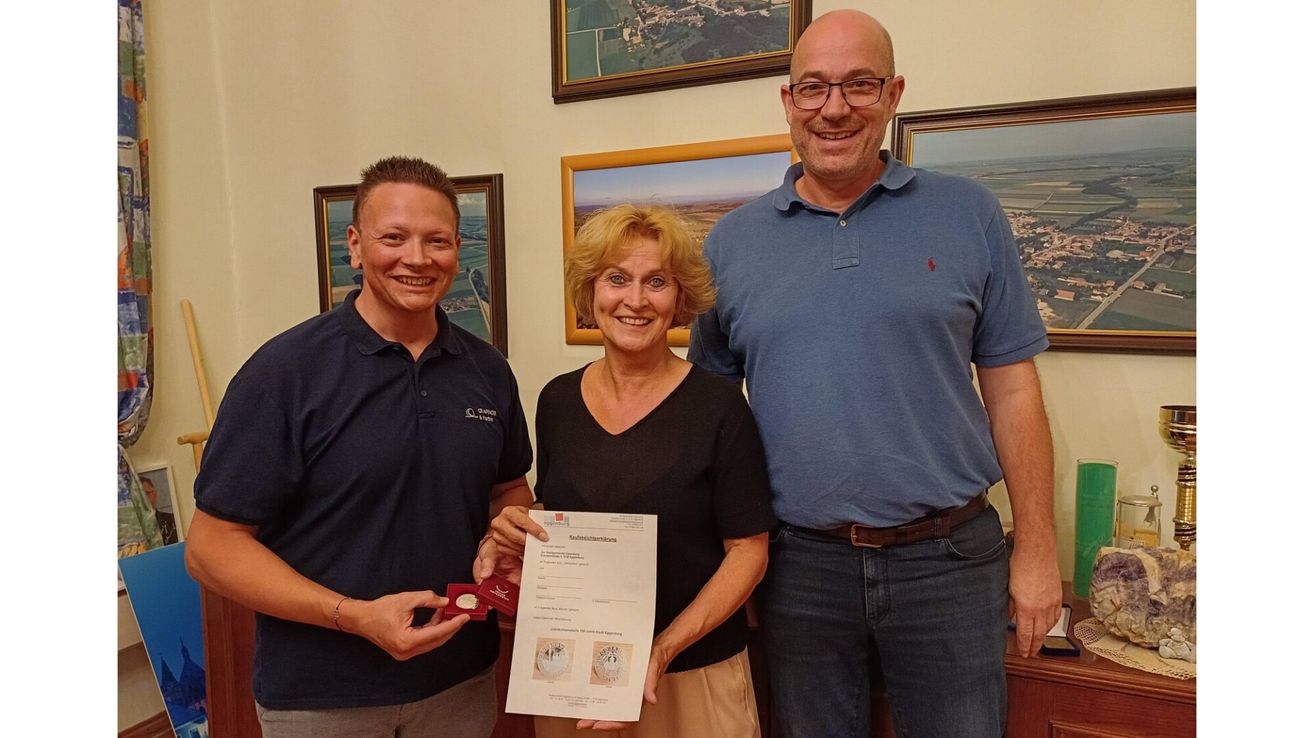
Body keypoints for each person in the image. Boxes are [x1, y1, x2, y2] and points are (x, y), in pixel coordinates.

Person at [687, 10, 1063, 738]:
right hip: (798, 569)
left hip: (951, 562)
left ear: (892, 96)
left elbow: (1013, 388)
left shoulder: (969, 214)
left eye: (859, 85)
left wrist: (1039, 554)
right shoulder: (733, 241)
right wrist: (730, 563)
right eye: (815, 88)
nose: (836, 108)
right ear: (788, 102)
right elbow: (710, 415)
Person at [186, 156, 533, 738]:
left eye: (437, 241)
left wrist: (512, 532)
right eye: (393, 237)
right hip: (322, 698)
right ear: (354, 244)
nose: (417, 259)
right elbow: (211, 547)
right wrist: (353, 617)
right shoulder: (284, 373)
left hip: (460, 684)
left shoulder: (487, 371)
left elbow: (508, 490)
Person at [481, 205, 775, 737]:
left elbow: (748, 552)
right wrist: (517, 530)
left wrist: (661, 650)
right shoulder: (558, 400)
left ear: (679, 297)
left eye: (655, 282)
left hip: (690, 673)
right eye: (617, 278)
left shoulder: (719, 407)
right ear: (591, 292)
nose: (635, 300)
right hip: (575, 677)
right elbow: (564, 512)